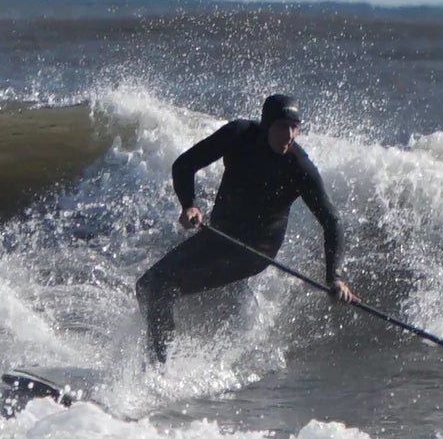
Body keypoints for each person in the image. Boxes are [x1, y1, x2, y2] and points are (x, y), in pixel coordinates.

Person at [136, 93, 354, 362]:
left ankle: (159, 369)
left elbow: (331, 220)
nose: (289, 134)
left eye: (295, 126)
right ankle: (164, 359)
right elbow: (184, 164)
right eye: (282, 126)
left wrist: (334, 276)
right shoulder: (239, 135)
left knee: (156, 285)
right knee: (147, 287)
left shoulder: (299, 168)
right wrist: (189, 205)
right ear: (266, 124)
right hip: (219, 237)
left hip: (254, 252)